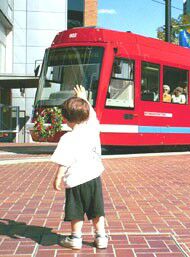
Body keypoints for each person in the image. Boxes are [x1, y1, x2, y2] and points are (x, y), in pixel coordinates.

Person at [51, 85, 108, 250]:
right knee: (97, 209)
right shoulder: (92, 130)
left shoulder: (67, 138)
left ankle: (75, 238)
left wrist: (58, 177)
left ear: (66, 119)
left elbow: (64, 161)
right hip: (94, 178)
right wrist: (84, 100)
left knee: (76, 210)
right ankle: (101, 237)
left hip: (75, 180)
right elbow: (92, 116)